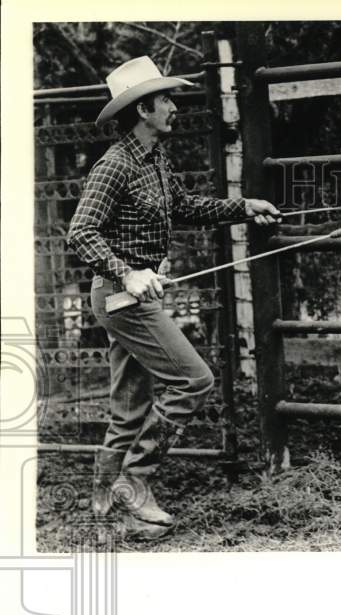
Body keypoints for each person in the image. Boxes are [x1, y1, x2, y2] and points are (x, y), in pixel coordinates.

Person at [68, 56, 281, 540]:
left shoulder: (155, 159)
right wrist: (128, 273)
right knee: (194, 380)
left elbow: (185, 206)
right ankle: (136, 483)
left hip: (130, 296)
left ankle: (103, 507)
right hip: (122, 298)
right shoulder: (114, 166)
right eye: (166, 99)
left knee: (128, 409)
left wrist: (244, 208)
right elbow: (80, 233)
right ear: (144, 109)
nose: (174, 107)